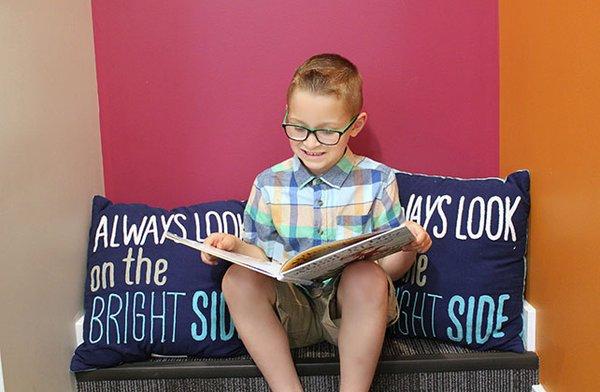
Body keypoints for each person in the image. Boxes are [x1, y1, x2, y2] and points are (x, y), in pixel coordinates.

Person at [200, 53, 432, 392]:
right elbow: (262, 258)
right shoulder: (269, 183)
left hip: (350, 312)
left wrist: (408, 246)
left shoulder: (377, 180)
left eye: (326, 132)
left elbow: (389, 269)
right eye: (297, 128)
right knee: (236, 280)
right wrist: (233, 247)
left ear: (355, 125)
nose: (309, 143)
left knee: (366, 275)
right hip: (290, 311)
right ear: (286, 117)